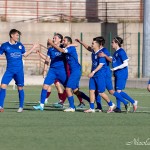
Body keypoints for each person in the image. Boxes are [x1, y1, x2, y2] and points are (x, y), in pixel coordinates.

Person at [76, 37, 128, 113]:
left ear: (99, 44)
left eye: (93, 43)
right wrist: (81, 42)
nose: (91, 45)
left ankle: (124, 103)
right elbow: (89, 48)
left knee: (108, 91)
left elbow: (110, 60)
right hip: (95, 73)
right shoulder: (95, 51)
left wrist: (105, 56)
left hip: (104, 74)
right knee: (92, 90)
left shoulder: (104, 52)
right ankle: (94, 107)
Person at [0, 29, 39, 113]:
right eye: (17, 35)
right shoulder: (4, 45)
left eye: (18, 35)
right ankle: (0, 106)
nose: (18, 37)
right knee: (2, 86)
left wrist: (33, 48)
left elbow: (25, 55)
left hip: (19, 71)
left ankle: (21, 107)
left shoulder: (20, 45)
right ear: (12, 35)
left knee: (20, 88)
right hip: (9, 70)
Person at [48, 36, 90, 112]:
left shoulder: (70, 48)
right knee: (76, 91)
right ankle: (91, 101)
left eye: (64, 40)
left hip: (75, 71)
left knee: (67, 89)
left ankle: (72, 107)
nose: (63, 42)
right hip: (73, 71)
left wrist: (52, 44)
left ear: (68, 42)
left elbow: (64, 49)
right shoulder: (67, 47)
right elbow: (65, 48)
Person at [33, 33, 68, 111]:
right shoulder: (50, 49)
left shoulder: (64, 48)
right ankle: (41, 105)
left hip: (62, 71)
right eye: (53, 38)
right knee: (45, 86)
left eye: (55, 38)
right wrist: (45, 70)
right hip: (52, 71)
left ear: (60, 40)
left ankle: (67, 103)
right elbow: (47, 60)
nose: (53, 39)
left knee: (68, 88)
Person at [111, 36, 138, 112]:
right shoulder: (115, 52)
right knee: (116, 90)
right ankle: (118, 108)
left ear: (117, 43)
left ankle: (133, 102)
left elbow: (125, 63)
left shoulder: (121, 51)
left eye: (113, 42)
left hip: (122, 74)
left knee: (118, 92)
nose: (111, 44)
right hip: (117, 73)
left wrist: (115, 68)